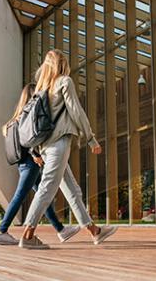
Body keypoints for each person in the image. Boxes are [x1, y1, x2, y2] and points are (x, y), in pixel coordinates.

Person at [19, 49, 118, 249]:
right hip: (59, 144)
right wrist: (90, 139)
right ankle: (28, 235)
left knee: (72, 190)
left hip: (46, 148)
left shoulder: (40, 90)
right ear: (62, 64)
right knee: (47, 188)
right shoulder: (64, 81)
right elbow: (76, 110)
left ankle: (95, 231)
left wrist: (35, 151)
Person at [0, 83, 80, 245]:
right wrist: (34, 154)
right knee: (21, 196)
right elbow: (28, 139)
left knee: (43, 196)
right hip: (30, 162)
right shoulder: (26, 117)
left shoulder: (14, 119)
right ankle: (2, 231)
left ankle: (61, 230)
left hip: (22, 163)